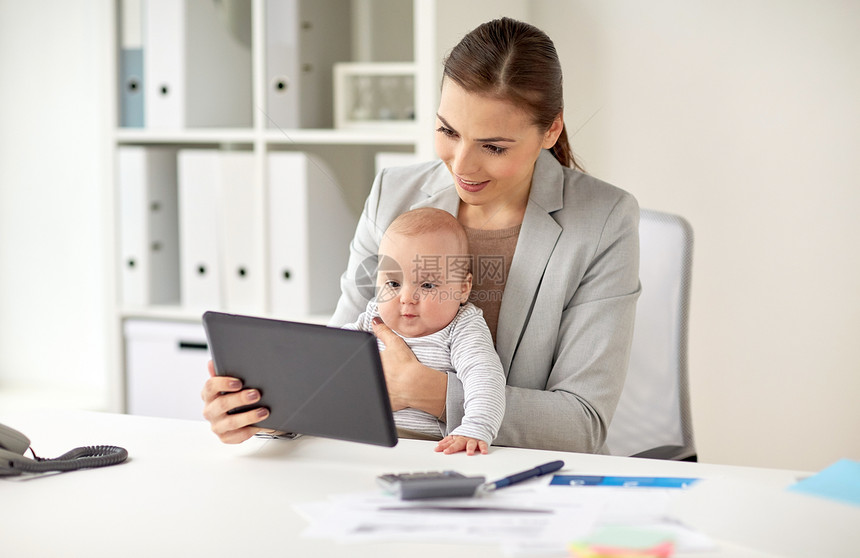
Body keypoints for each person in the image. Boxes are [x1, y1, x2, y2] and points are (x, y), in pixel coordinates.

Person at [202, 17, 640, 453]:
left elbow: (580, 425)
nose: (462, 166)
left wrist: (423, 390)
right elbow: (339, 363)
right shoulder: (393, 193)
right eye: (448, 131)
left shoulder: (603, 220)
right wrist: (265, 413)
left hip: (517, 475)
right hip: (381, 460)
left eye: (493, 146)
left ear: (551, 130)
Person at [342, 207, 505, 456]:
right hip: (360, 438)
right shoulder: (373, 317)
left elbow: (484, 378)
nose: (406, 298)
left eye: (427, 285)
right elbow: (331, 356)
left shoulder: (461, 326)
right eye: (393, 283)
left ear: (463, 288)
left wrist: (476, 427)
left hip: (426, 446)